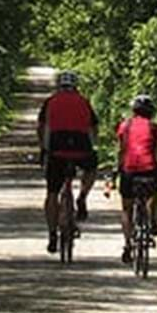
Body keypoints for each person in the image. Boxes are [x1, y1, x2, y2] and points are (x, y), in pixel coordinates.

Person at [36, 70, 98, 253]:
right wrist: (92, 144)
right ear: (75, 86)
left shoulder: (50, 101)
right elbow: (94, 127)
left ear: (58, 86)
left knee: (52, 192)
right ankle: (82, 197)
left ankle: (52, 234)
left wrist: (43, 147)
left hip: (56, 148)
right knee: (92, 168)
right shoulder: (84, 101)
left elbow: (40, 127)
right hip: (81, 147)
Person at [113, 93, 157, 264]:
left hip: (129, 170)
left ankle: (127, 245)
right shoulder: (156, 128)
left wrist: (116, 169)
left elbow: (122, 150)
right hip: (149, 169)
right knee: (154, 191)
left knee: (127, 208)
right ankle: (152, 221)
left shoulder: (124, 126)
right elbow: (155, 153)